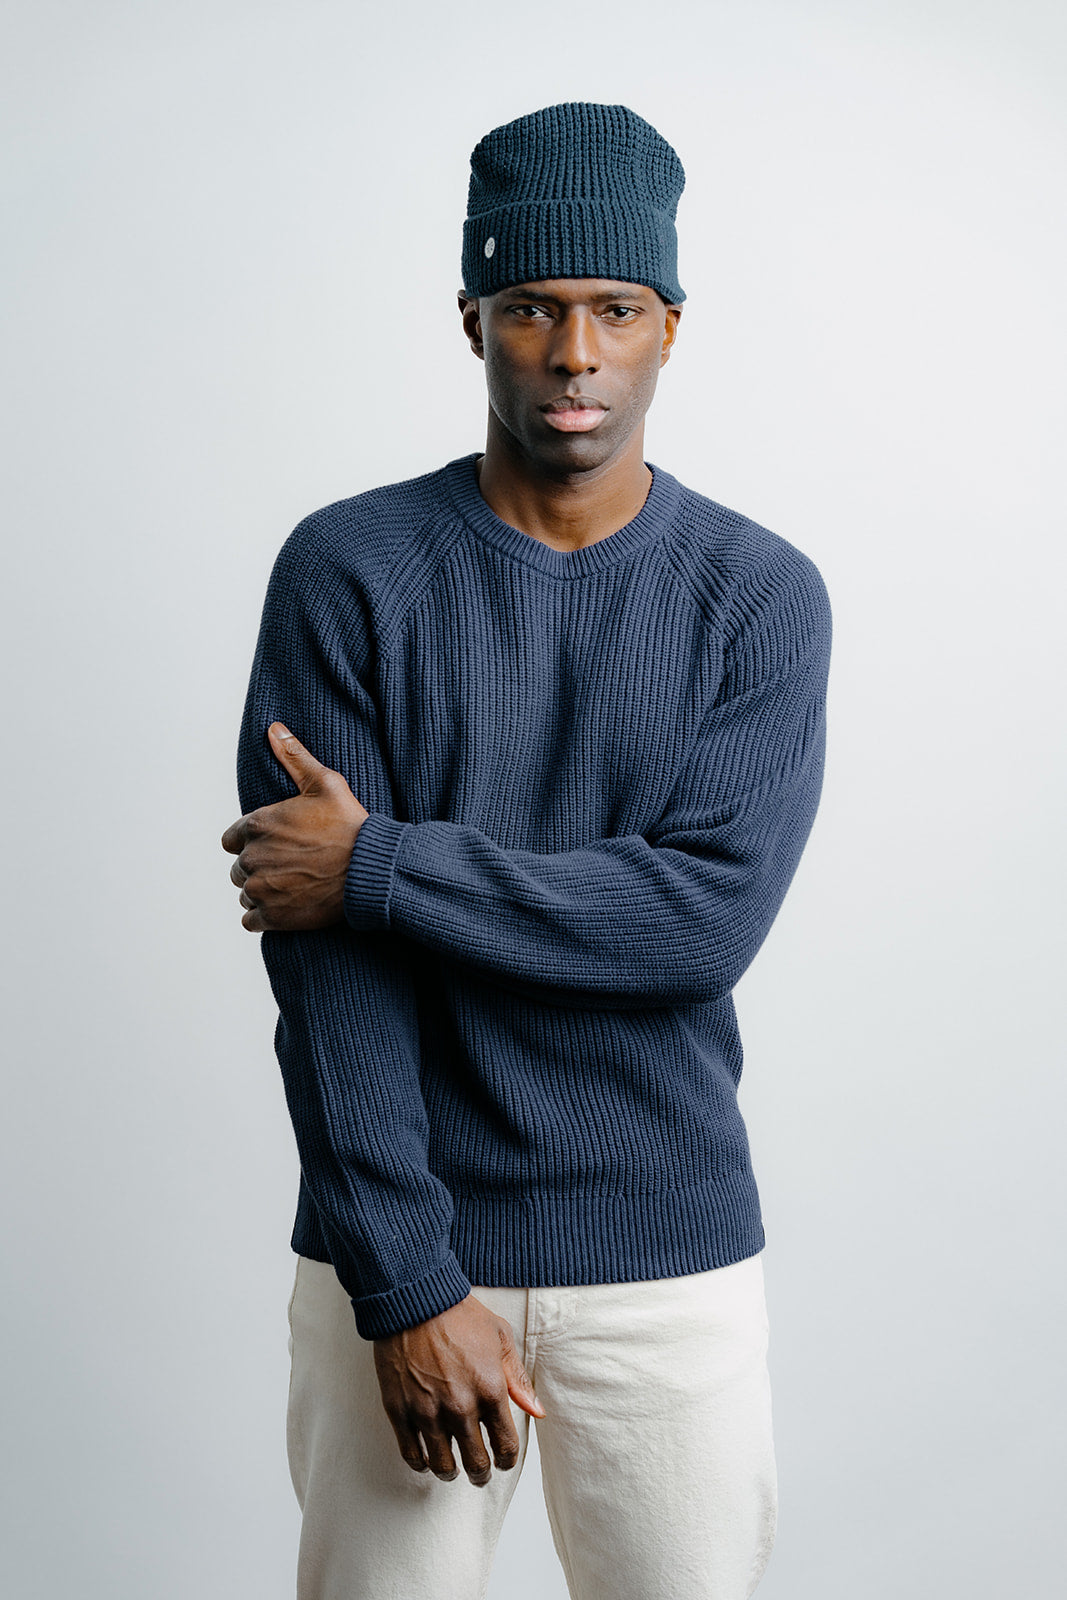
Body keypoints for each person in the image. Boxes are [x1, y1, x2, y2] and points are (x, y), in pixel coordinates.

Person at [222, 101, 831, 1600]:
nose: (574, 354)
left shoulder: (758, 595)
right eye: (534, 307)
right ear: (472, 319)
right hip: (402, 1252)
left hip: (670, 1257)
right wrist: (409, 1282)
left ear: (670, 328)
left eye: (615, 310)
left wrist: (379, 869)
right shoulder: (350, 569)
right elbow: (324, 977)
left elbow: (698, 919)